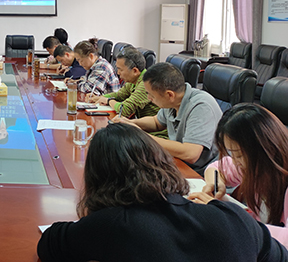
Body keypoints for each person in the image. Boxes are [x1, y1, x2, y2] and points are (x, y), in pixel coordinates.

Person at [37, 124, 288, 262]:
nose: (236, 162)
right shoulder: (235, 219)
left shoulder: (110, 225)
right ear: (163, 162)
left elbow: (49, 243)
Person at [191, 103, 288, 246]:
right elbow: (216, 168)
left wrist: (232, 219)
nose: (235, 162)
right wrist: (216, 184)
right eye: (232, 154)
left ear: (265, 149)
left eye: (239, 155)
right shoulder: (253, 167)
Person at [113, 62, 222, 175]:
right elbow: (156, 122)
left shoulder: (201, 107)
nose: (149, 98)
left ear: (170, 95)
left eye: (151, 95)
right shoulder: (173, 102)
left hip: (202, 174)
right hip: (178, 162)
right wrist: (130, 122)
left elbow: (190, 154)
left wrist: (141, 135)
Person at [91, 46, 160, 120]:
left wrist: (108, 101)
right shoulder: (133, 81)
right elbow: (119, 95)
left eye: (120, 70)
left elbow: (124, 110)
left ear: (135, 71)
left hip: (153, 127)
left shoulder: (146, 83)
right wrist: (100, 98)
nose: (118, 73)